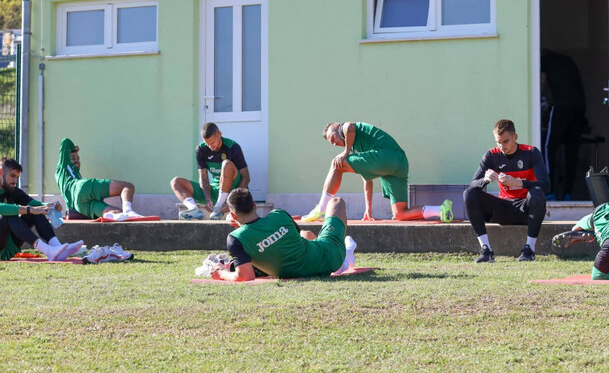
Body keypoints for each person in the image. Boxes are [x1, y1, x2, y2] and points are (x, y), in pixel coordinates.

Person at [302, 122, 452, 222]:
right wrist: (368, 211)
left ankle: (320, 209)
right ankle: (441, 210)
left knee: (337, 164)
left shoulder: (346, 128)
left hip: (386, 155)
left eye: (333, 138)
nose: (335, 144)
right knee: (400, 214)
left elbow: (350, 127)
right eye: (332, 143)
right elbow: (367, 180)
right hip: (399, 163)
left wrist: (345, 152)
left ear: (337, 128)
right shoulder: (359, 151)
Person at [210, 188, 357, 281]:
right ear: (254, 206)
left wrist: (222, 273)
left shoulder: (236, 239)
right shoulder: (279, 214)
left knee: (306, 235)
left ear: (233, 216)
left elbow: (245, 276)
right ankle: (345, 253)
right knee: (337, 201)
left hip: (303, 269)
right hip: (329, 257)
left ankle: (346, 255)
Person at [0, 157, 84, 262]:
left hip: (6, 249)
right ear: (0, 172)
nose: (15, 181)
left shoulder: (12, 191)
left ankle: (57, 247)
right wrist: (30, 209)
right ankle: (48, 250)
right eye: (12, 176)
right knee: (9, 213)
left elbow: (36, 204)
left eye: (17, 177)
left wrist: (50, 205)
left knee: (36, 210)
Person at [463, 119, 549, 263]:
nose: (502, 146)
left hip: (525, 209)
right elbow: (471, 185)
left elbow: (546, 185)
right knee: (469, 193)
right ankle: (486, 250)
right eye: (498, 142)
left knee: (537, 192)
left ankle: (529, 250)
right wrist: (485, 180)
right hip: (502, 208)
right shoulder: (491, 156)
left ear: (515, 137)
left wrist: (520, 183)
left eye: (506, 141)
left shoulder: (531, 153)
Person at [170, 122, 250, 220]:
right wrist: (208, 199)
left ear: (219, 134)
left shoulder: (232, 147)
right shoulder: (201, 149)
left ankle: (218, 208)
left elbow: (246, 177)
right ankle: (193, 209)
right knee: (175, 182)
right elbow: (203, 177)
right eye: (207, 143)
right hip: (214, 190)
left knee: (226, 164)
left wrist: (233, 200)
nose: (210, 146)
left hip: (232, 191)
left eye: (212, 142)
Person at [56, 137, 141, 221]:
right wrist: (73, 148)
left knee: (119, 213)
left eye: (78, 159)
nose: (77, 161)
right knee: (127, 186)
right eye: (73, 158)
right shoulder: (63, 167)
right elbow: (65, 141)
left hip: (79, 205)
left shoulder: (71, 177)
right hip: (82, 188)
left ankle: (111, 215)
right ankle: (129, 211)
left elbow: (70, 207)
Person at [541, 49, 587, 200]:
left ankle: (550, 191)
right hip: (579, 107)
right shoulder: (567, 58)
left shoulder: (544, 59)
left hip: (562, 106)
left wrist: (539, 101)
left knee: (549, 148)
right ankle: (568, 193)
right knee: (571, 151)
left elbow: (541, 82)